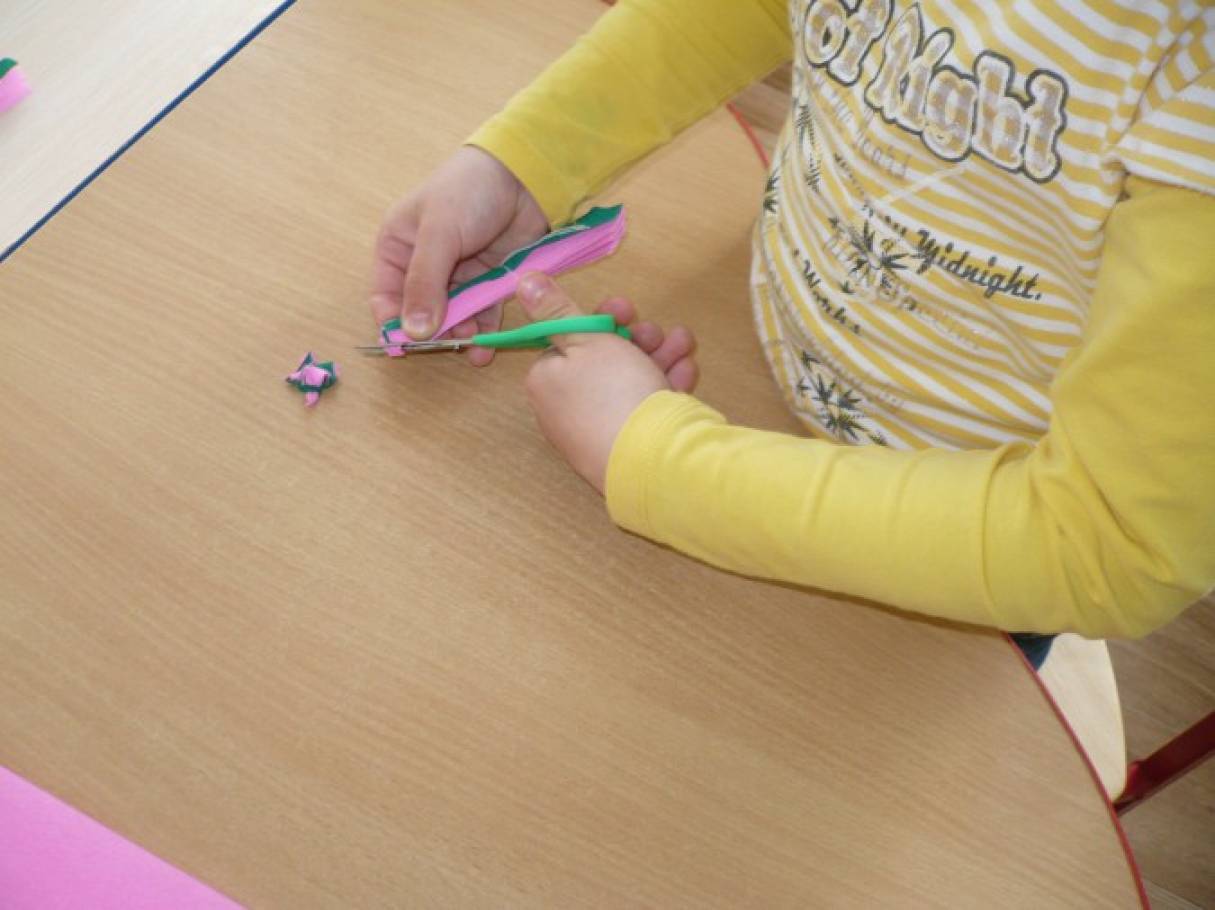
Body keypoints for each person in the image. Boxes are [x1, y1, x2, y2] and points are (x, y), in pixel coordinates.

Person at [369, 0, 1215, 665]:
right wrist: (528, 160)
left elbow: (1107, 546)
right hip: (760, 353)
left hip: (950, 554)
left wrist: (662, 464)